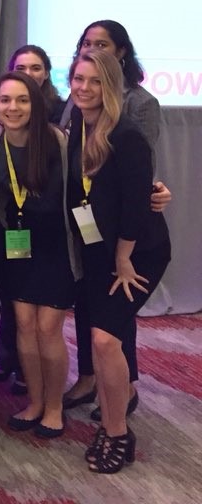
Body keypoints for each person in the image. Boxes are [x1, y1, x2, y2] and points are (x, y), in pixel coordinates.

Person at [66, 50, 170, 473]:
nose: (84, 89)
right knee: (102, 341)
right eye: (78, 79)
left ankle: (118, 433)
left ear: (111, 86)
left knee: (107, 341)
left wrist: (124, 258)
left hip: (136, 252)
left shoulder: (126, 136)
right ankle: (111, 425)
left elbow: (136, 206)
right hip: (97, 251)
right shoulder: (77, 126)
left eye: (94, 81)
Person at [0, 72, 78, 438]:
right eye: (5, 100)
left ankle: (54, 406)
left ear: (35, 104)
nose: (13, 107)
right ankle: (35, 401)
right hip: (16, 246)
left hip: (54, 247)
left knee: (47, 328)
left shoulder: (56, 140)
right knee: (23, 326)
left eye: (22, 100)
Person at [9, 45, 64, 124]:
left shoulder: (60, 110)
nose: (28, 74)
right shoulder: (2, 105)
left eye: (36, 68)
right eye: (20, 68)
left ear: (46, 74)